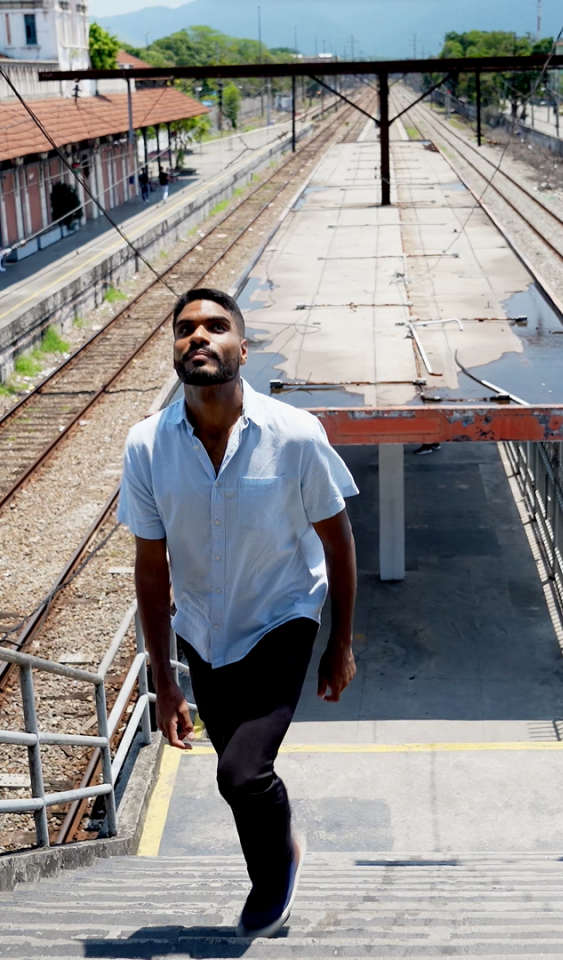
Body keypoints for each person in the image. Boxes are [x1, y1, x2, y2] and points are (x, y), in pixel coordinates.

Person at [119, 287, 358, 940]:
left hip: (283, 616)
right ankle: (284, 853)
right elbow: (150, 566)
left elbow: (338, 541)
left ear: (243, 349)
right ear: (174, 349)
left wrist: (339, 642)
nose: (198, 336)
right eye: (185, 328)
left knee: (241, 771)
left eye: (216, 326)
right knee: (239, 781)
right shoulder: (146, 447)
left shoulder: (295, 435)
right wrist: (164, 679)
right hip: (203, 631)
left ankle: (270, 880)